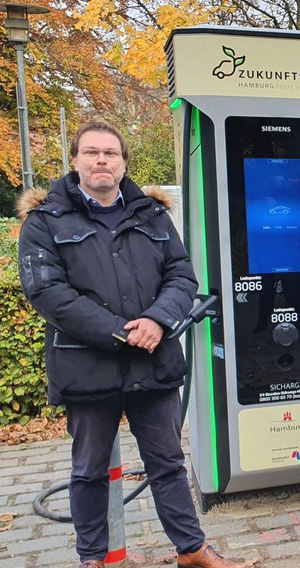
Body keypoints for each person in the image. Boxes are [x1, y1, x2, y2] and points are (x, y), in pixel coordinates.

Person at [16, 122, 243, 568]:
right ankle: (93, 559)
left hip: (152, 361)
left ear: (123, 163)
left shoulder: (152, 215)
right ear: (76, 160)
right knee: (88, 471)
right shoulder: (45, 221)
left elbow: (181, 275)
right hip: (87, 365)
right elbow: (47, 293)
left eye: (111, 154)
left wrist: (158, 320)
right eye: (92, 153)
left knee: (168, 464)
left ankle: (192, 550)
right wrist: (121, 331)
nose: (102, 161)